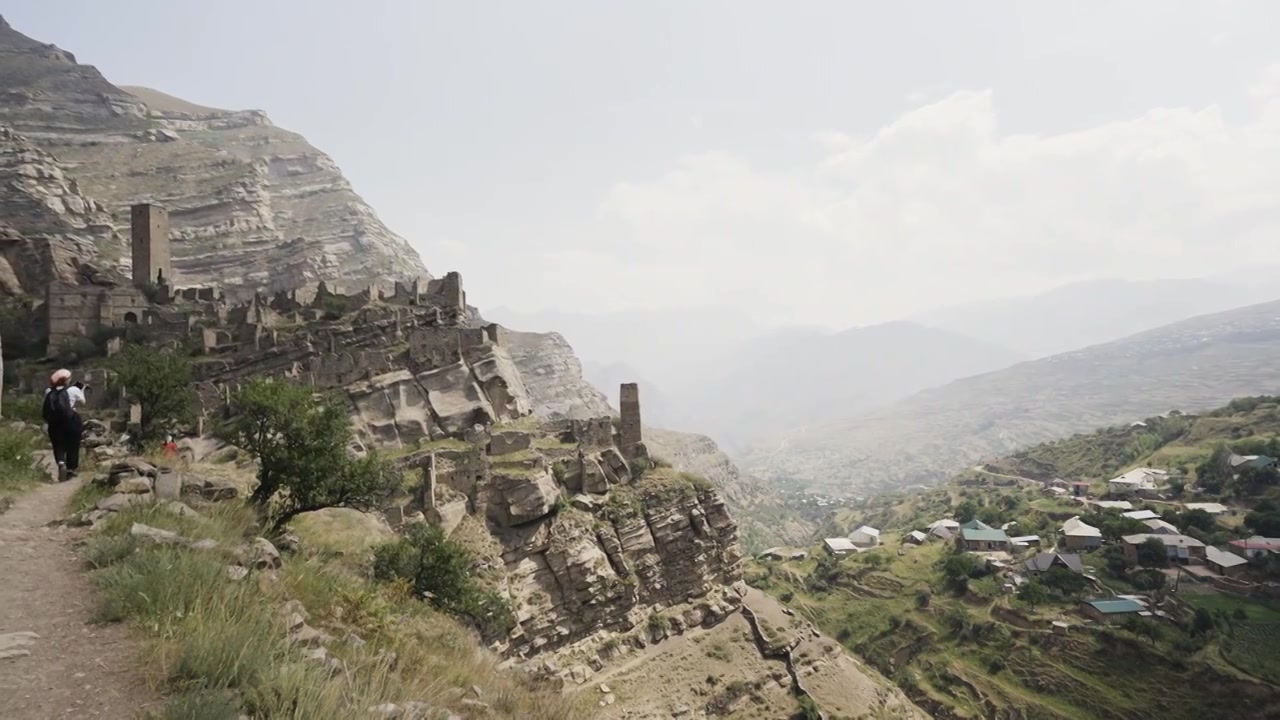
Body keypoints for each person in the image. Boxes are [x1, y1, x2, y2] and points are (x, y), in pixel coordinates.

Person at [42, 369, 84, 482]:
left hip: (54, 423)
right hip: (71, 421)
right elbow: (82, 402)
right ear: (66, 380)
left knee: (58, 444)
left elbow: (45, 410)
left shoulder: (48, 392)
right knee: (73, 445)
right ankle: (71, 470)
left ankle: (61, 462)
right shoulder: (72, 390)